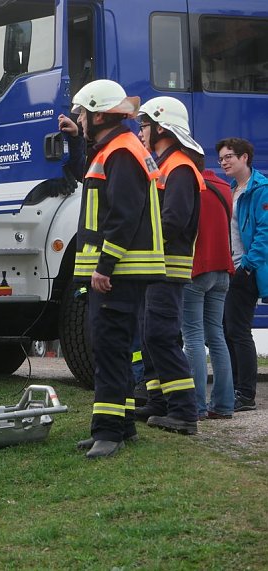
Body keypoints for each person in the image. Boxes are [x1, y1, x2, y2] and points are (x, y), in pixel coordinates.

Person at [59, 79, 165, 459]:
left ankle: (108, 433)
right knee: (114, 350)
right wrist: (75, 139)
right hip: (119, 272)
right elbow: (84, 175)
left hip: (116, 273)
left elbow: (123, 214)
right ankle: (121, 426)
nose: (79, 119)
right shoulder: (115, 148)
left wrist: (105, 265)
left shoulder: (121, 152)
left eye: (83, 114)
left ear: (100, 115)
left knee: (108, 349)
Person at [130, 97, 201, 435]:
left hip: (167, 269)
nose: (140, 131)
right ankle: (158, 402)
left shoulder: (180, 168)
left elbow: (171, 221)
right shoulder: (164, 164)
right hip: (152, 268)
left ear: (161, 127)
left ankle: (185, 412)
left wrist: (138, 239)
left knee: (161, 336)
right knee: (150, 336)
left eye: (144, 125)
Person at [218, 137, 268, 412]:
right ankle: (236, 389)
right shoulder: (232, 189)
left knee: (238, 331)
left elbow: (265, 233)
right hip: (230, 269)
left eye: (229, 157)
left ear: (244, 158)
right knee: (228, 330)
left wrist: (247, 266)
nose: (223, 162)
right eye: (222, 158)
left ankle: (245, 394)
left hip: (244, 271)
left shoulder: (260, 189)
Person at [183, 166, 235, 420]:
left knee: (192, 337)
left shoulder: (190, 185)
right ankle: (224, 405)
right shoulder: (224, 187)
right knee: (216, 337)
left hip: (196, 269)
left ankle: (196, 406)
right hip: (223, 269)